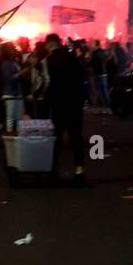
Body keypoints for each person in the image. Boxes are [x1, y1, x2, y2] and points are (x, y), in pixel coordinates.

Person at [43, 33, 85, 185]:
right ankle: (79, 171)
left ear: (50, 44)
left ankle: (53, 172)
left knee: (57, 139)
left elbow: (50, 83)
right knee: (76, 139)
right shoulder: (71, 57)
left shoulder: (49, 60)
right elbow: (81, 78)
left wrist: (46, 99)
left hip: (59, 105)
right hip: (74, 104)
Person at [0, 42, 25, 134]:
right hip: (10, 93)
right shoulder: (6, 63)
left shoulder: (14, 62)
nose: (14, 49)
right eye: (12, 48)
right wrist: (21, 73)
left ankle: (17, 134)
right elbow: (8, 78)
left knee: (18, 116)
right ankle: (10, 136)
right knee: (11, 116)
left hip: (16, 92)